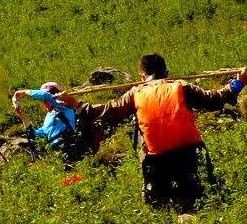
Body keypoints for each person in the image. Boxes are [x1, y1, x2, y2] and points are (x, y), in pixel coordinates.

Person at [99, 55, 247, 214]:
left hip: (155, 160)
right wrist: (239, 82)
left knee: (159, 206)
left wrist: (76, 106)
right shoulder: (181, 87)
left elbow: (107, 112)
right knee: (193, 201)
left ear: (142, 76)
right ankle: (188, 210)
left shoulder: (135, 93)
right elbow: (215, 100)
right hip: (186, 155)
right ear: (166, 72)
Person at [12, 81, 80, 159]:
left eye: (45, 100)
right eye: (43, 101)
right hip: (58, 153)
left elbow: (45, 96)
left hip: (70, 145)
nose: (45, 102)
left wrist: (25, 92)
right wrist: (24, 118)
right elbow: (34, 135)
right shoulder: (48, 117)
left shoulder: (64, 106)